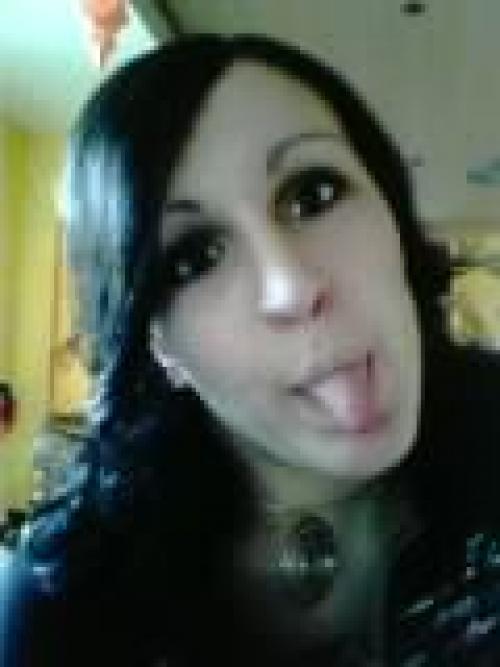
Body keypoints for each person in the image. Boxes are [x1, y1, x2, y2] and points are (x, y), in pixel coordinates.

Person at [2, 33, 500, 666]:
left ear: (393, 216)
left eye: (313, 194)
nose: (291, 289)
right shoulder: (67, 606)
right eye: (195, 258)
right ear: (158, 347)